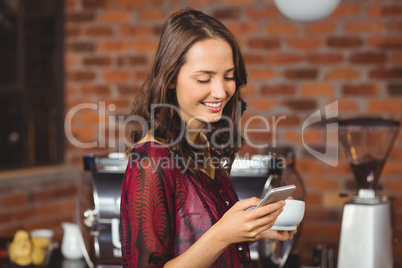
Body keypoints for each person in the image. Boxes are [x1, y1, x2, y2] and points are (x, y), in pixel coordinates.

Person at [120, 8, 297, 268]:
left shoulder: (202, 143)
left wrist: (255, 228)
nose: (220, 91)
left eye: (228, 76)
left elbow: (195, 239)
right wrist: (223, 234)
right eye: (204, 79)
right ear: (170, 79)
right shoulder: (151, 160)